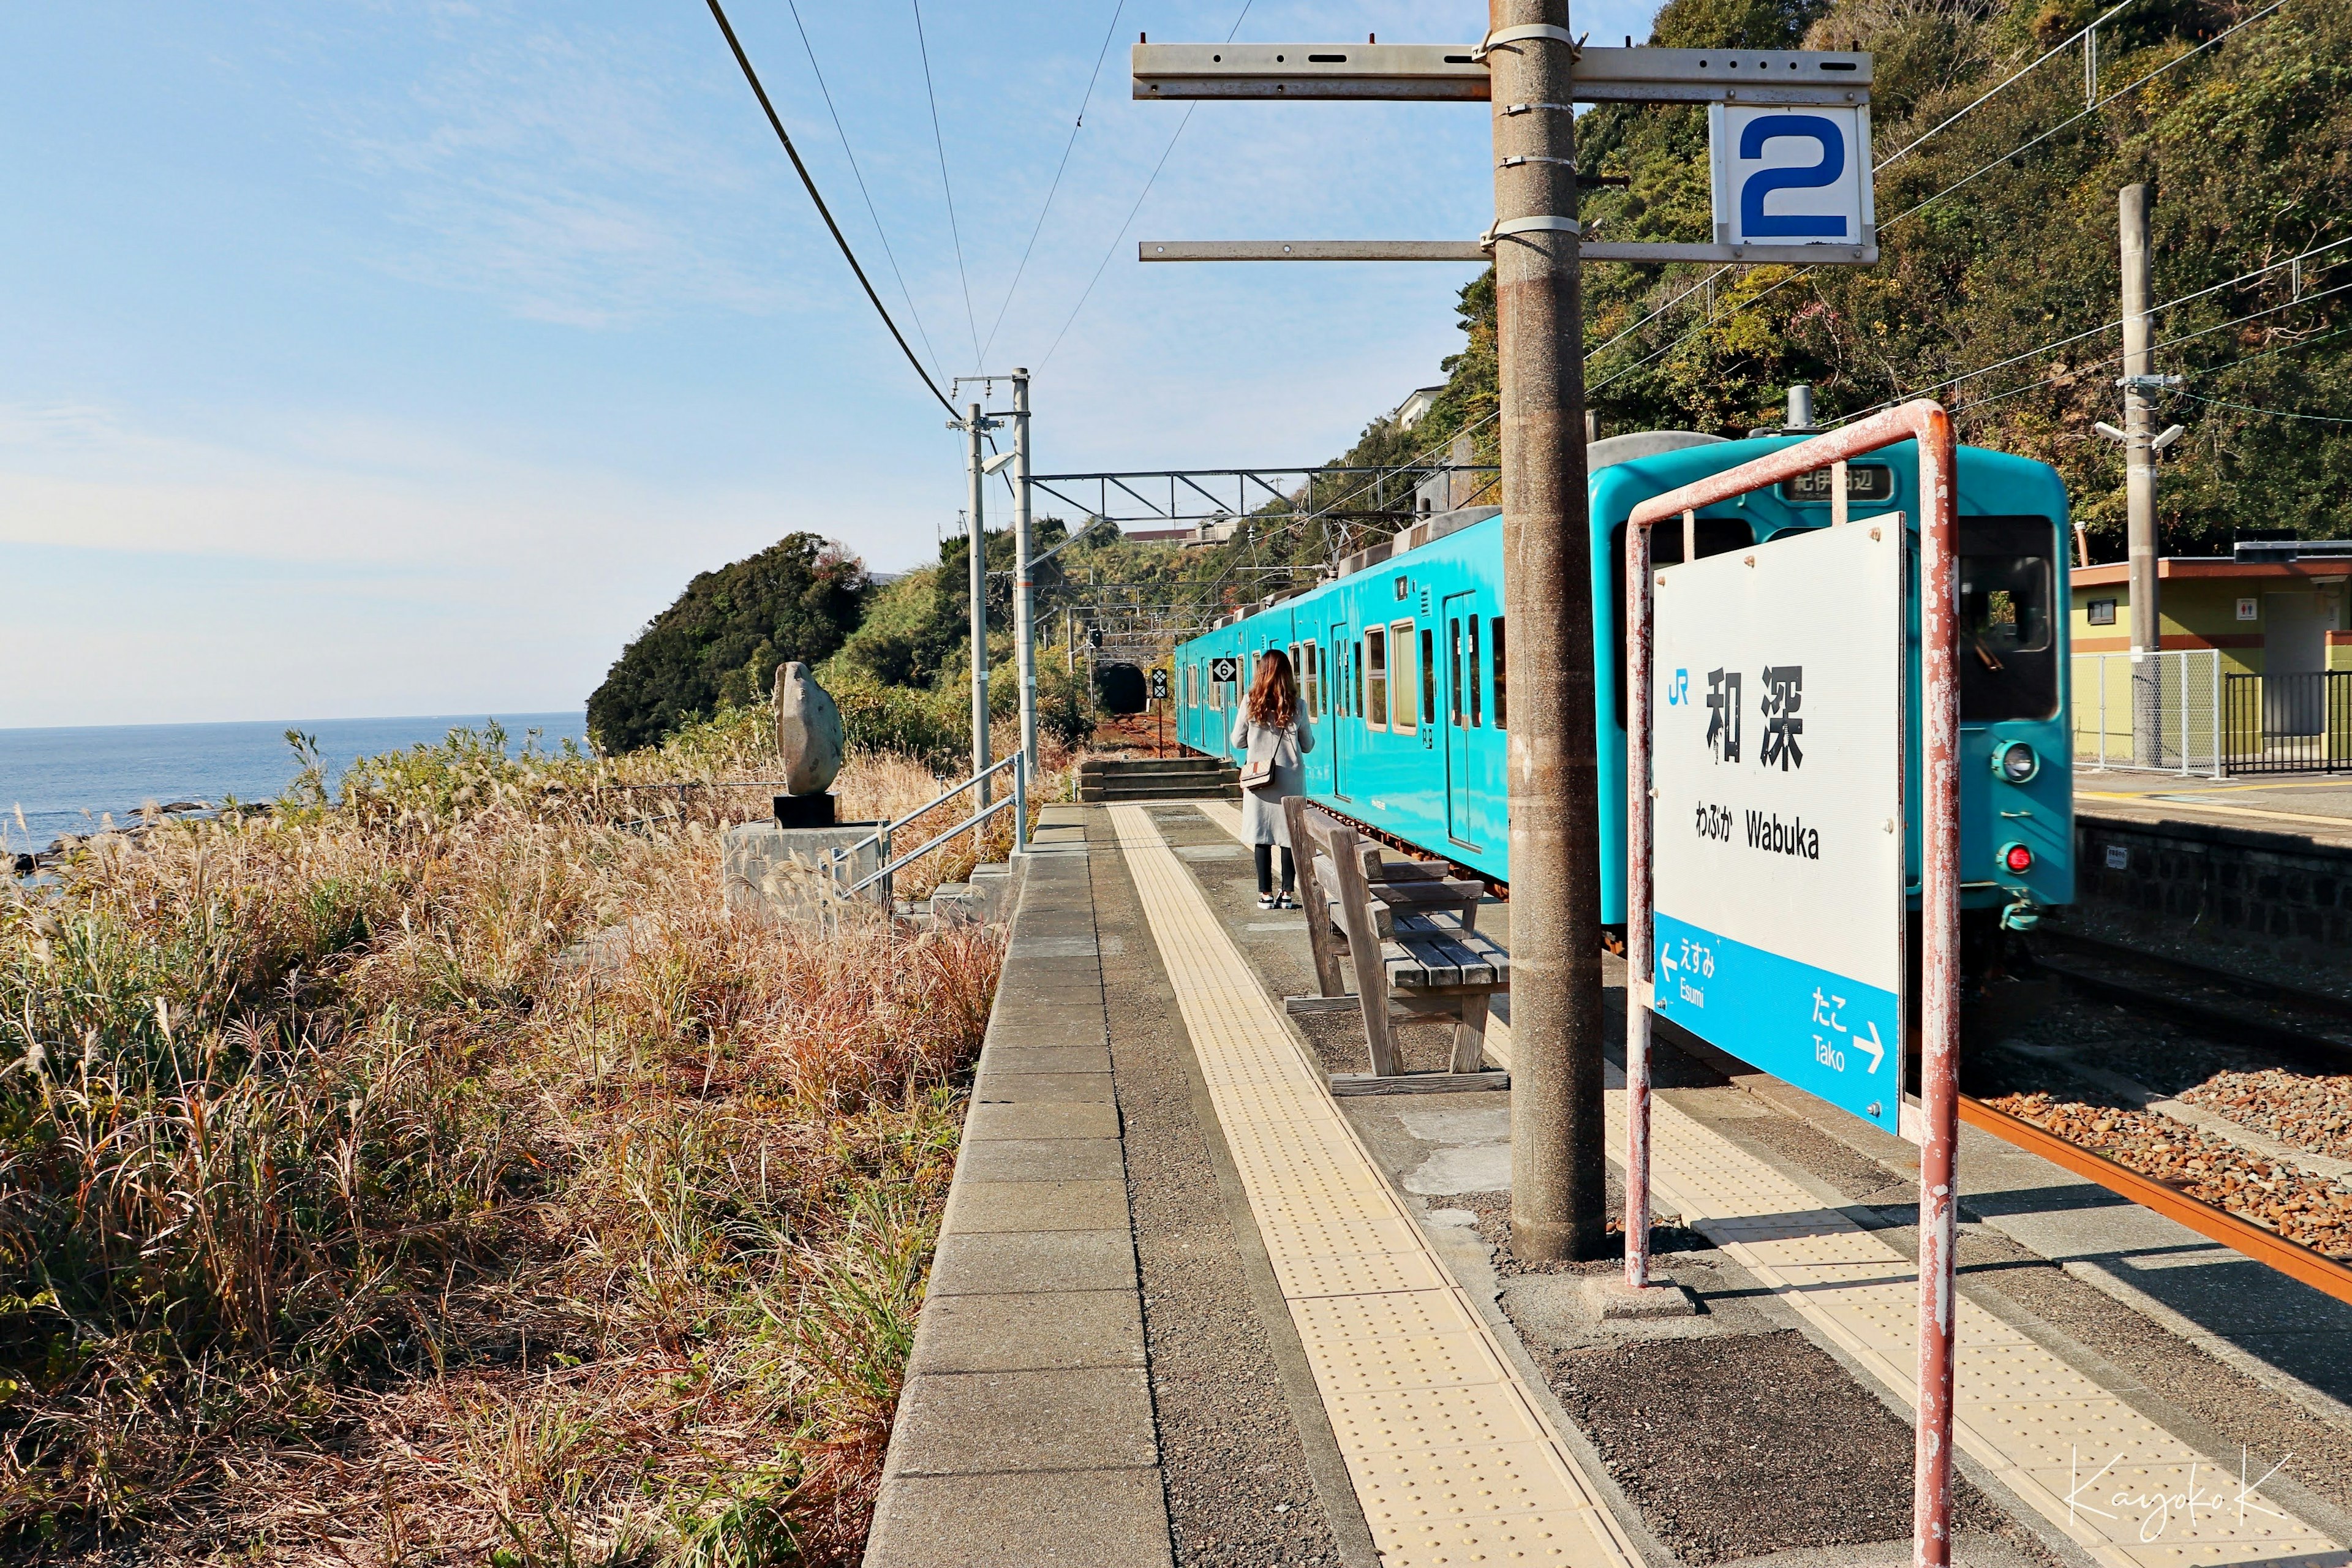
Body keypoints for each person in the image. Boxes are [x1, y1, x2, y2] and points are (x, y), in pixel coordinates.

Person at [1231, 648, 1316, 910]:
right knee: (1289, 836)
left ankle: (1265, 895)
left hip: (1260, 778)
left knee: (1262, 836)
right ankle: (1287, 894)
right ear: (1287, 674)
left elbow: (1237, 741)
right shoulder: (1297, 705)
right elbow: (1308, 745)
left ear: (1261, 672)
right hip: (1290, 778)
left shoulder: (1250, 701)